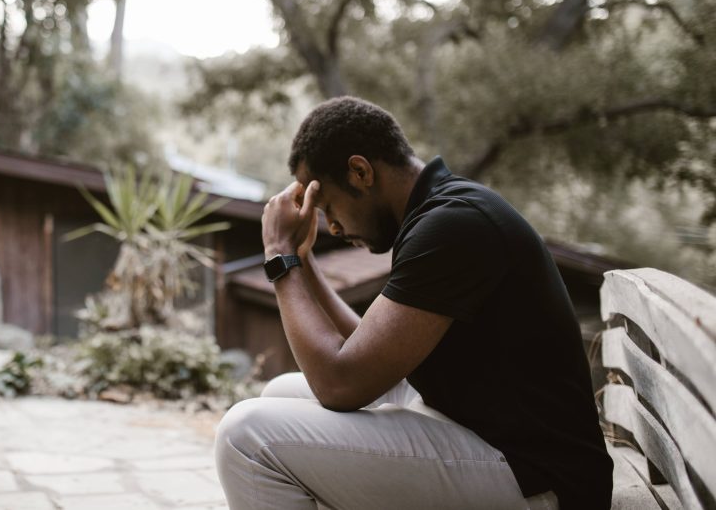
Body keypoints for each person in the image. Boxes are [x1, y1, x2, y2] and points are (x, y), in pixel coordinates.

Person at [215, 97, 612, 510]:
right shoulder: (437, 211)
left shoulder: (453, 224)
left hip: (540, 479)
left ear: (360, 171)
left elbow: (340, 383)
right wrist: (303, 260)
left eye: (329, 206)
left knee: (245, 436)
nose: (331, 225)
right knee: (281, 392)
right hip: (484, 433)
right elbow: (365, 353)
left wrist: (279, 255)